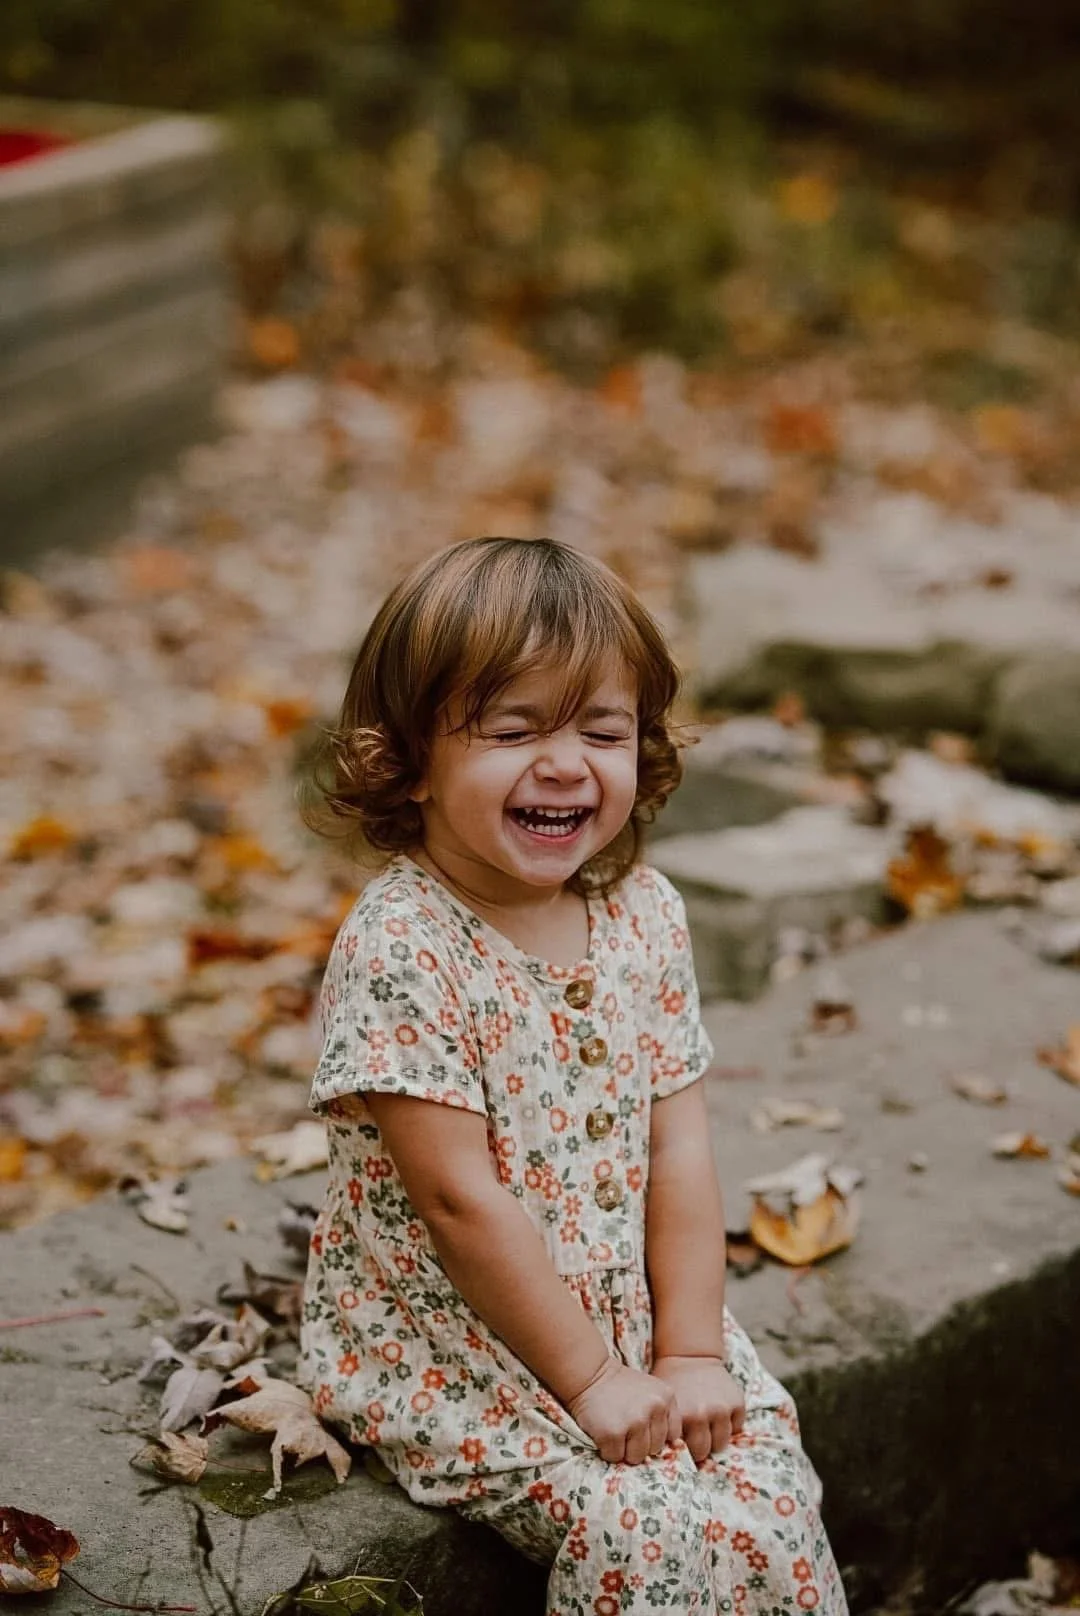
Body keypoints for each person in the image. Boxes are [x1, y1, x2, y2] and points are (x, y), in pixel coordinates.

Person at [300, 537, 846, 1615]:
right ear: (408, 759)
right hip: (456, 1333)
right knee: (638, 1519)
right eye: (513, 730)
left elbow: (675, 1144)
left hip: (635, 1309)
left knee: (762, 1470)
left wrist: (688, 1347)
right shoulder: (405, 945)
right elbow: (458, 1200)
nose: (565, 763)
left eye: (603, 729)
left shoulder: (644, 914)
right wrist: (596, 1381)